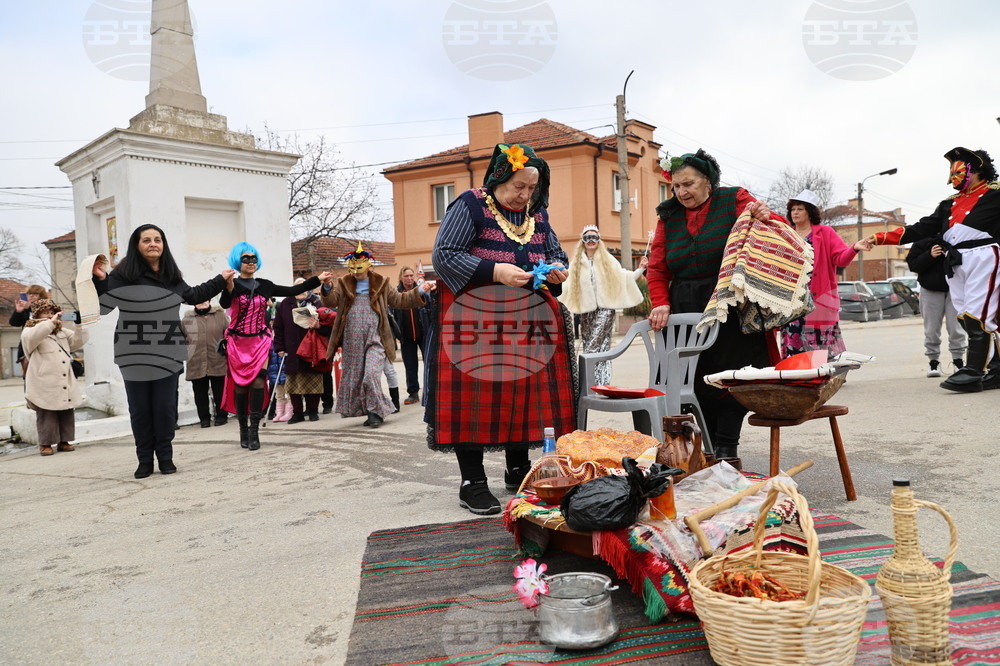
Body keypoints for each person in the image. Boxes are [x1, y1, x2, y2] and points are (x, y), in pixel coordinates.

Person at [428, 142, 573, 515]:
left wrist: (557, 269)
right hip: (476, 320)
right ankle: (472, 482)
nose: (525, 195)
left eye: (531, 188)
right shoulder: (470, 205)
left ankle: (518, 469)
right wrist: (495, 271)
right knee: (475, 398)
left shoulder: (537, 215)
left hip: (527, 320)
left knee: (523, 393)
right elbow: (444, 255)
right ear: (498, 177)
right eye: (518, 186)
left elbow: (555, 252)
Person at [647, 149, 788, 462]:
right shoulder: (668, 216)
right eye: (676, 186)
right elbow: (657, 268)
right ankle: (703, 449)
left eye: (688, 184)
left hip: (729, 303)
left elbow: (772, 227)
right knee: (692, 379)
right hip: (685, 307)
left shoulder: (732, 199)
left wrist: (766, 213)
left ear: (708, 182)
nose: (681, 192)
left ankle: (726, 449)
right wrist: (661, 303)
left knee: (730, 376)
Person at [92, 224, 234, 478]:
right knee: (140, 410)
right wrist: (101, 280)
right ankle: (145, 460)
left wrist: (220, 280)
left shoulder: (171, 276)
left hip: (167, 350)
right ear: (137, 246)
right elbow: (104, 307)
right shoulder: (123, 275)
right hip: (133, 351)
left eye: (157, 240)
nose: (153, 244)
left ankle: (166, 457)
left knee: (165, 408)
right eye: (146, 240)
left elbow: (194, 295)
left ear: (163, 245)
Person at [871, 147, 999, 392]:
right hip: (956, 261)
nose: (954, 177)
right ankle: (996, 369)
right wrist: (879, 238)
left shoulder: (996, 194)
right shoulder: (948, 204)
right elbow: (920, 229)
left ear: (976, 170)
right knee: (964, 314)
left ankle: (973, 372)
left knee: (978, 314)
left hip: (983, 257)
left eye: (959, 171)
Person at [219, 244, 329, 449]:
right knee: (241, 386)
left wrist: (317, 279)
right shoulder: (232, 285)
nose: (251, 262)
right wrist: (228, 285)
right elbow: (225, 304)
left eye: (253, 259)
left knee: (259, 382)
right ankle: (243, 429)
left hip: (259, 341)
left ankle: (254, 431)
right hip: (238, 342)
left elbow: (293, 290)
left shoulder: (265, 285)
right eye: (246, 259)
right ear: (237, 262)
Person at [320, 243, 431, 427]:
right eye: (353, 268)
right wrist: (327, 287)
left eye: (360, 268)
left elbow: (400, 300)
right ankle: (370, 411)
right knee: (356, 377)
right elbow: (331, 301)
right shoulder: (344, 282)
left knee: (370, 375)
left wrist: (419, 291)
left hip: (376, 337)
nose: (356, 272)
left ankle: (376, 411)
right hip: (352, 339)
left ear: (369, 266)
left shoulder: (382, 282)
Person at [779, 189, 872, 357]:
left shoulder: (825, 233)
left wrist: (854, 248)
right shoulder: (786, 234)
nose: (795, 212)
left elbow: (841, 259)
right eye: (793, 209)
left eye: (800, 209)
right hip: (792, 300)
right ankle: (796, 372)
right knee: (794, 346)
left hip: (819, 299)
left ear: (809, 212)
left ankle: (820, 371)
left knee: (819, 350)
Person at [559, 225, 648, 385]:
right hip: (586, 312)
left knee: (593, 347)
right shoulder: (577, 264)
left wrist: (641, 269)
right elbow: (566, 285)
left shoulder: (608, 260)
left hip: (606, 310)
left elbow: (624, 277)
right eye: (587, 238)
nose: (591, 241)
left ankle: (586, 382)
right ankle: (599, 383)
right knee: (599, 346)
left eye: (594, 237)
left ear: (599, 240)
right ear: (582, 241)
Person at [21, 299, 86, 456]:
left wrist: (78, 324)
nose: (50, 315)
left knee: (66, 410)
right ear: (37, 314)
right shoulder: (30, 330)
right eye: (45, 312)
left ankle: (64, 441)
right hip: (43, 380)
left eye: (52, 312)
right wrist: (50, 323)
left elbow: (78, 341)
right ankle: (45, 443)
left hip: (63, 378)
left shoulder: (60, 331)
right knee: (46, 413)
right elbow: (32, 338)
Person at [907, 237, 967, 377]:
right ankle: (933, 362)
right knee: (931, 329)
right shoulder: (922, 241)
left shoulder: (956, 237)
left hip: (955, 288)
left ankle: (958, 361)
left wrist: (952, 254)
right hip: (930, 288)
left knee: (956, 327)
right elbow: (913, 265)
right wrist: (929, 255)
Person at [273, 278, 331, 424]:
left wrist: (318, 326)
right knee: (293, 382)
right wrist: (279, 347)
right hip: (292, 348)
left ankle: (312, 411)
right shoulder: (285, 304)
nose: (301, 290)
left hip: (312, 347)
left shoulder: (316, 302)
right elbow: (278, 327)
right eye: (298, 287)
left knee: (313, 380)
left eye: (304, 287)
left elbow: (327, 325)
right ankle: (297, 413)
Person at [181, 299, 230, 428]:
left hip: (217, 359)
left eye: (204, 300)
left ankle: (222, 416)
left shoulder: (220, 316)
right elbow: (182, 339)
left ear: (209, 300)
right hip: (196, 361)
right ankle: (204, 419)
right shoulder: (187, 319)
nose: (202, 303)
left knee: (219, 391)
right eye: (198, 301)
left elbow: (229, 334)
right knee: (200, 393)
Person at [391, 266, 427, 405]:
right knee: (410, 366)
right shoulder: (396, 294)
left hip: (423, 334)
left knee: (429, 365)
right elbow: (392, 315)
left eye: (411, 275)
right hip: (406, 336)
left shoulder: (421, 291)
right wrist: (397, 334)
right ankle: (413, 393)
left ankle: (430, 391)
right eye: (406, 276)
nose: (409, 278)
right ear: (401, 277)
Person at [10, 284, 50, 376]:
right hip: (27, 345)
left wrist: (31, 308)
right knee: (29, 375)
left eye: (35, 294)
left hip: (44, 344)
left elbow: (45, 319)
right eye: (29, 294)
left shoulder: (48, 307)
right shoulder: (26, 308)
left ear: (41, 296)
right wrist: (18, 311)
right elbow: (14, 323)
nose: (31, 296)